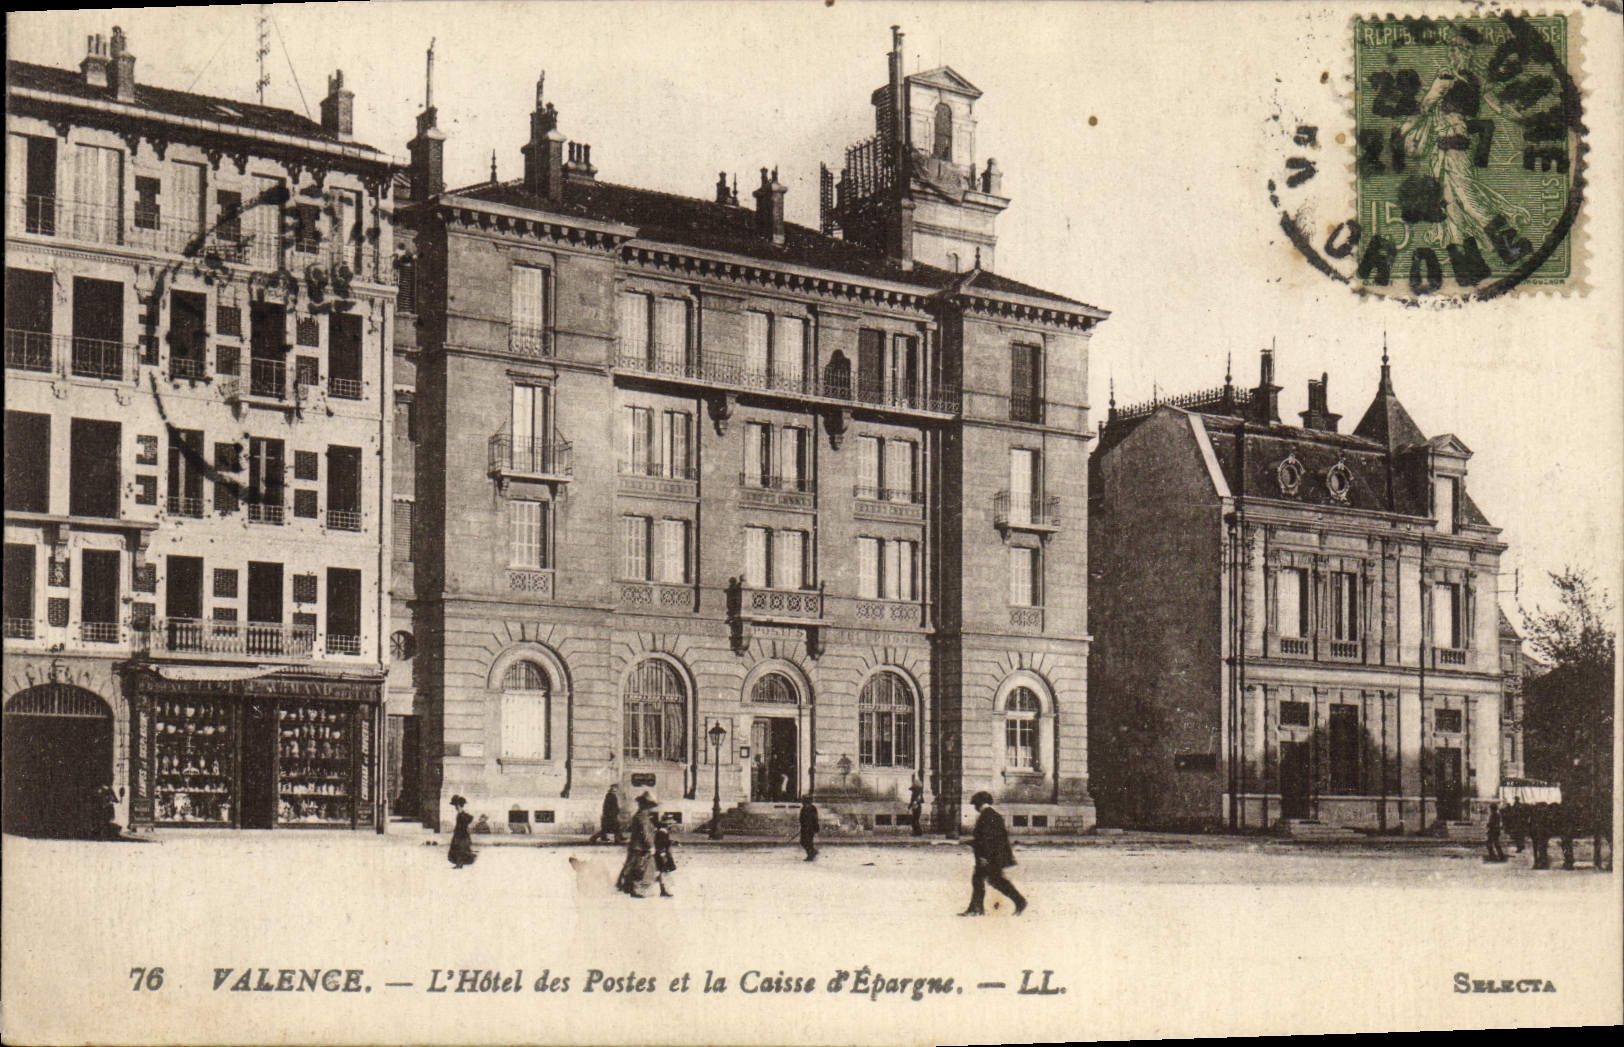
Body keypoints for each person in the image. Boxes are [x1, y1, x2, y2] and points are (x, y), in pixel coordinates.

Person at [960, 791, 1025, 917]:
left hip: (990, 857)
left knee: (988, 881)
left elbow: (987, 839)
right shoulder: (992, 815)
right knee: (989, 881)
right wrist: (972, 842)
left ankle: (977, 908)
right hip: (993, 855)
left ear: (980, 804)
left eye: (975, 805)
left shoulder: (987, 816)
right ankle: (977, 908)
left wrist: (984, 857)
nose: (975, 808)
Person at [617, 792, 658, 898]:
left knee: (632, 866)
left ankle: (626, 886)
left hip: (636, 846)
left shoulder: (640, 815)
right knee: (639, 868)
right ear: (646, 805)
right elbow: (645, 833)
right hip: (640, 847)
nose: (651, 809)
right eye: (650, 806)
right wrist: (651, 846)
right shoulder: (643, 817)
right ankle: (635, 889)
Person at [448, 795, 476, 869]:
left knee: (461, 849)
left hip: (462, 835)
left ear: (459, 806)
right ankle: (459, 864)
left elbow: (468, 820)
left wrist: (462, 813)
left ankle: (459, 864)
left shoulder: (463, 814)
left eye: (456, 806)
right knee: (458, 849)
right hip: (459, 834)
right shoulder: (461, 814)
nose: (455, 808)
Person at [653, 821, 677, 898]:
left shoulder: (662, 832)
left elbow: (664, 842)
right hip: (663, 855)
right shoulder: (662, 833)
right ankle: (665, 890)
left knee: (663, 873)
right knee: (665, 873)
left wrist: (672, 842)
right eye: (671, 824)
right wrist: (662, 854)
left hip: (663, 855)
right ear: (667, 825)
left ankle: (663, 890)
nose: (672, 826)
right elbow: (660, 845)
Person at [1529, 802, 1550, 870]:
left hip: (1538, 833)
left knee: (1538, 848)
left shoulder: (1535, 816)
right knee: (1542, 848)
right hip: (1540, 833)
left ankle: (1539, 862)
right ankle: (1542, 863)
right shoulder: (1544, 816)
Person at [799, 795, 820, 861]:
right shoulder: (804, 808)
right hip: (805, 828)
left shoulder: (811, 808)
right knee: (804, 842)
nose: (802, 801)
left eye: (803, 800)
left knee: (807, 842)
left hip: (809, 828)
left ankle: (810, 855)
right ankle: (812, 852)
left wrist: (815, 826)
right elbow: (801, 818)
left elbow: (815, 818)